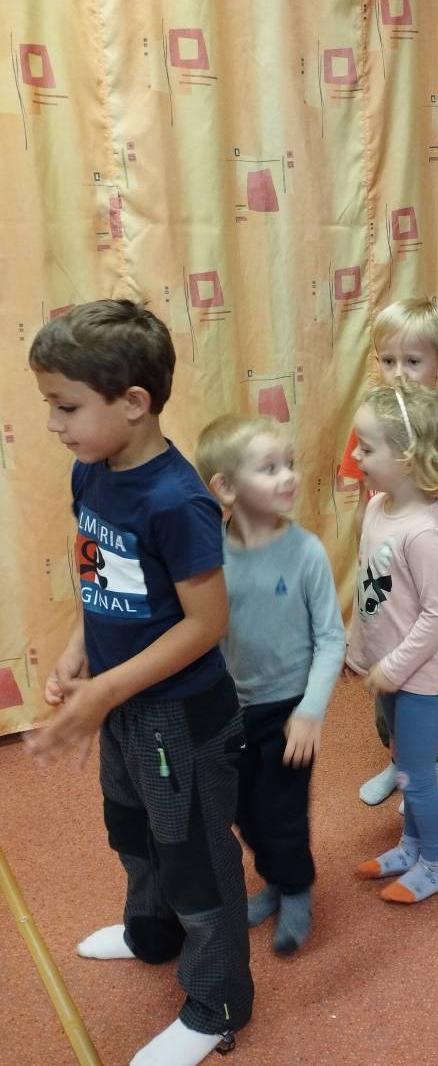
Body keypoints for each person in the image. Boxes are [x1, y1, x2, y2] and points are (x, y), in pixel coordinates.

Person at [27, 300, 253, 1066]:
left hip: (180, 719)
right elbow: (102, 579)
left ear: (133, 402)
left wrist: (106, 688)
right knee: (132, 829)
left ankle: (217, 1005)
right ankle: (150, 935)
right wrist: (78, 651)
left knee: (195, 858)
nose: (54, 424)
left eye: (66, 407)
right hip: (124, 705)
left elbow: (205, 624)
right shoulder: (92, 472)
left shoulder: (177, 501)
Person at [195, 414, 345, 955]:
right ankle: (276, 879)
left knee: (282, 814)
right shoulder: (210, 555)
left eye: (290, 464)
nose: (288, 476)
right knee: (243, 811)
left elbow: (332, 639)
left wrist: (310, 711)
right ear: (226, 488)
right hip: (232, 711)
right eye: (270, 468)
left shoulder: (306, 552)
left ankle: (296, 888)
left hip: (288, 712)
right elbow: (205, 631)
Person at [337, 298, 438, 806]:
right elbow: (363, 511)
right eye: (387, 360)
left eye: (413, 361)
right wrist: (365, 584)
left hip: (436, 585)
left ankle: (426, 764)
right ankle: (400, 761)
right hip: (387, 585)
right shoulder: (370, 428)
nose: (398, 373)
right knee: (387, 688)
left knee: (425, 682)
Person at [346, 379, 438, 903]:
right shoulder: (378, 508)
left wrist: (393, 668)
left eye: (366, 448)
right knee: (405, 769)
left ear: (408, 458)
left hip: (423, 682)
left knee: (418, 777)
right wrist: (359, 651)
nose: (355, 456)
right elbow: (370, 590)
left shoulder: (424, 533)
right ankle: (412, 845)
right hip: (394, 675)